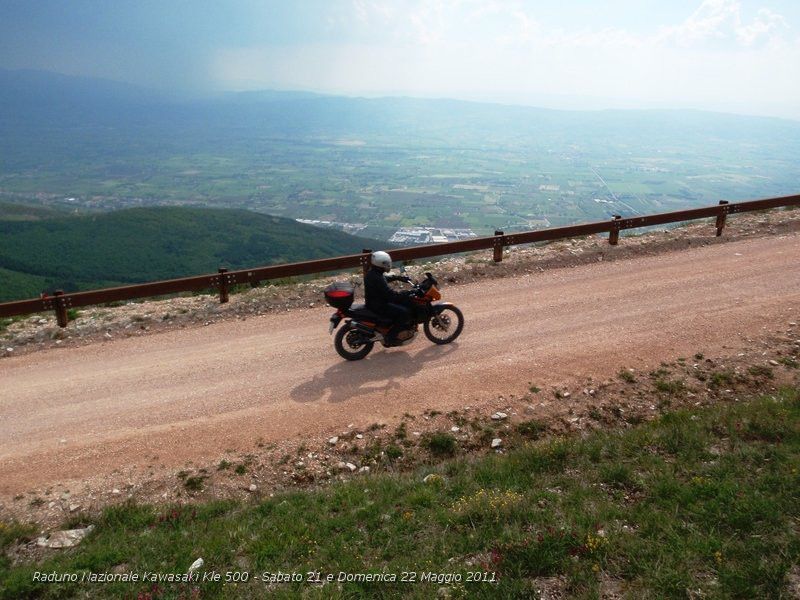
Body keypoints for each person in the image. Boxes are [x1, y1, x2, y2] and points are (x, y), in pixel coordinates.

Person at [364, 251, 413, 345]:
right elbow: (389, 295)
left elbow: (384, 279)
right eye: (386, 263)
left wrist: (398, 277)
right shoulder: (377, 276)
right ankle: (391, 337)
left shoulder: (374, 273)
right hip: (379, 305)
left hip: (374, 302)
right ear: (380, 263)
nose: (388, 265)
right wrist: (404, 294)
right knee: (404, 313)